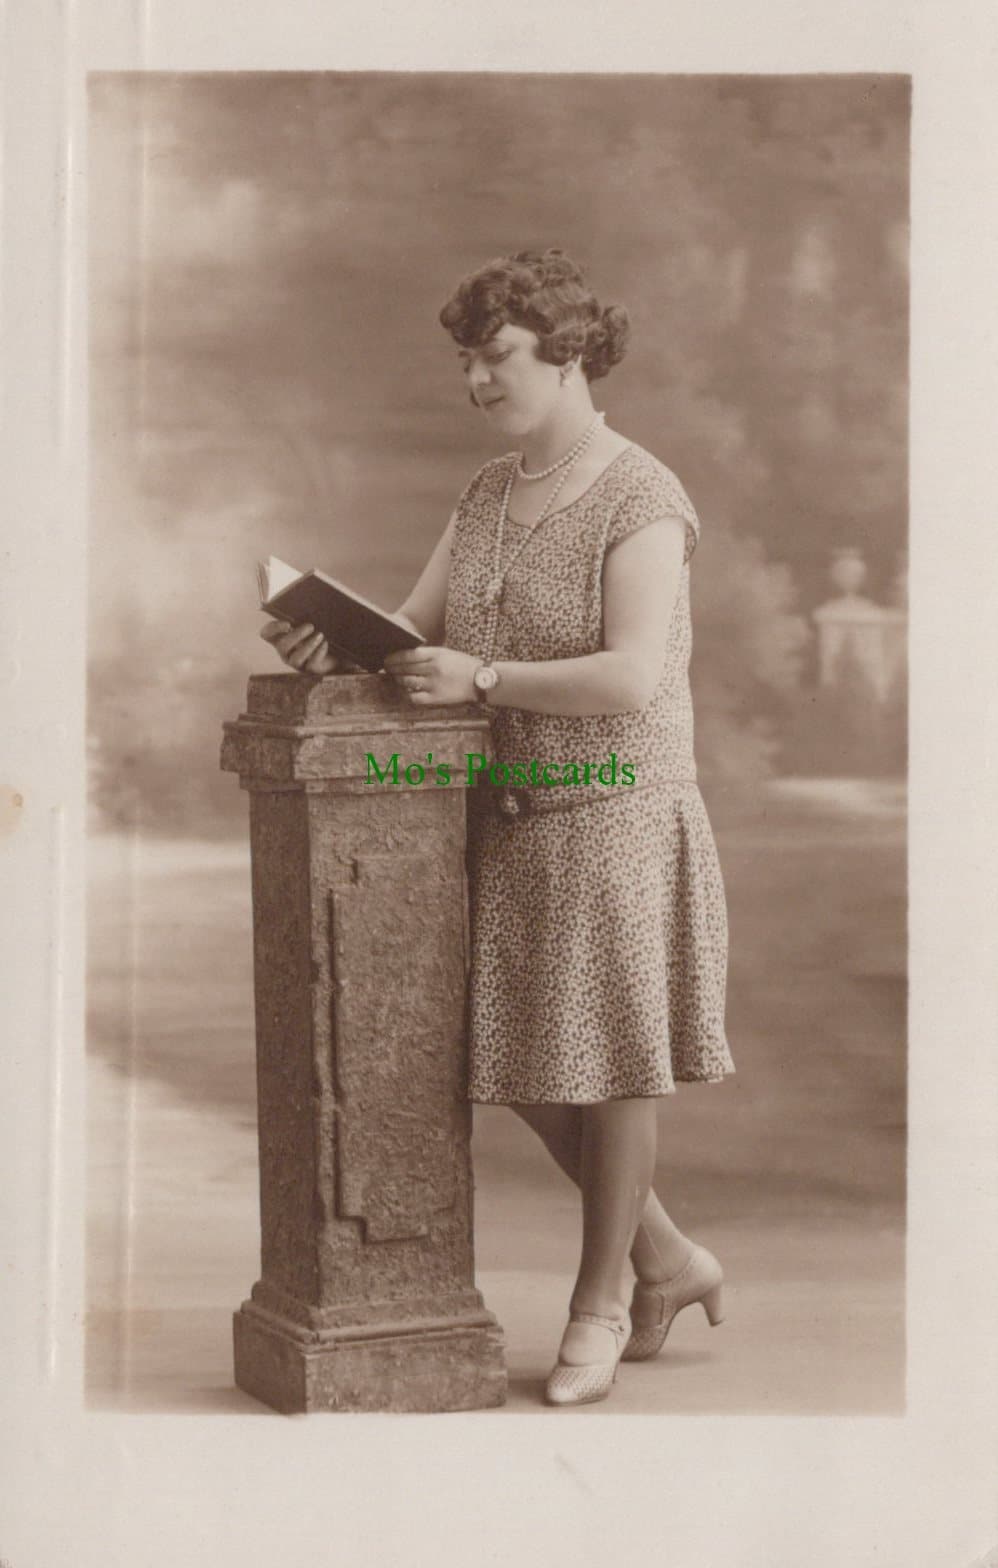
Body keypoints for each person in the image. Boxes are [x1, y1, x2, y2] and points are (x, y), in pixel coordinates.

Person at [261, 247, 734, 1407]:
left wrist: (474, 676)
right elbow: (413, 634)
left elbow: (627, 678)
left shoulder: (643, 496)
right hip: (507, 820)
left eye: (496, 355)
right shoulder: (483, 493)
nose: (476, 379)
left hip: (618, 806)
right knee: (516, 1059)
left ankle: (601, 1301)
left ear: (569, 351)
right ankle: (666, 1253)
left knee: (611, 1062)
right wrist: (336, 643)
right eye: (466, 359)